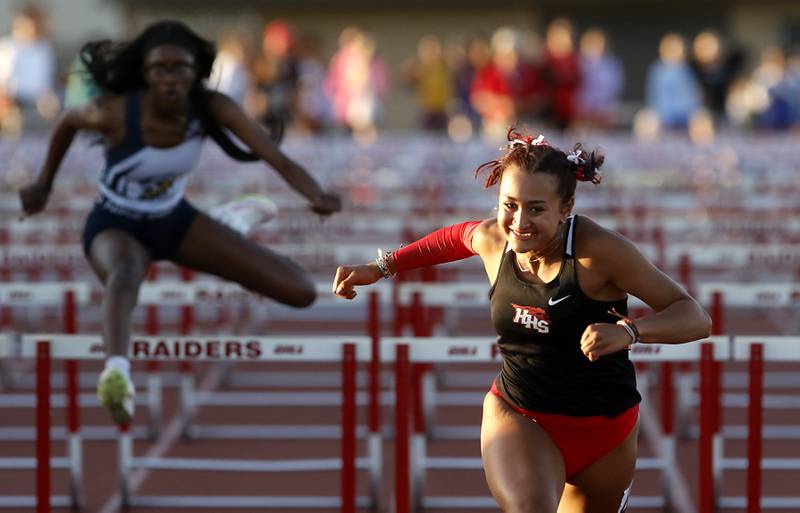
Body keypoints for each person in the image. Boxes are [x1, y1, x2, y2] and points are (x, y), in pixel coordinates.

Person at [332, 129, 711, 512]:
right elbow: (451, 239)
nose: (518, 222)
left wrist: (631, 331)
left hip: (606, 430)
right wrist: (379, 267)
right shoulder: (494, 239)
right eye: (508, 205)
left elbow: (695, 317)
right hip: (523, 415)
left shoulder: (599, 253)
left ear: (566, 208)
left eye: (536, 209)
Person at [19, 20, 342, 425]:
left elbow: (273, 156)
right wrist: (43, 184)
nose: (171, 79)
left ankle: (227, 224)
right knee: (123, 274)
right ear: (145, 73)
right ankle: (116, 373)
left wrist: (315, 193)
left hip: (176, 222)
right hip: (115, 223)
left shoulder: (212, 107)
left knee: (300, 292)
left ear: (196, 73)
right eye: (160, 69)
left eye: (181, 69)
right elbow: (66, 122)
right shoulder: (114, 112)